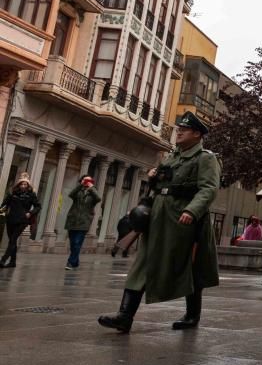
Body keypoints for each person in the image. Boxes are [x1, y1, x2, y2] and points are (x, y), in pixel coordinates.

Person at [98, 111, 221, 333]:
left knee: (189, 266)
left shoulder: (205, 158)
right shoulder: (171, 157)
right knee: (143, 262)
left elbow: (209, 189)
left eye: (184, 129)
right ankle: (124, 316)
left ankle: (193, 314)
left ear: (196, 134)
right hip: (158, 215)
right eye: (179, 129)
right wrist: (153, 178)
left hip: (183, 219)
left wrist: (192, 211)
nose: (179, 132)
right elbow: (159, 187)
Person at [0, 173, 41, 268]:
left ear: (28, 185)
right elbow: (4, 204)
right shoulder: (12, 193)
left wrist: (30, 213)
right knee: (12, 240)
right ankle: (13, 262)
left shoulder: (31, 195)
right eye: (21, 184)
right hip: (11, 219)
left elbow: (38, 206)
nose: (23, 186)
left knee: (13, 239)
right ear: (18, 185)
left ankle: (3, 259)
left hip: (23, 220)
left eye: (25, 184)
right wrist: (3, 210)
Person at [64, 176, 102, 270]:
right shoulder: (78, 191)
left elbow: (98, 199)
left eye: (89, 180)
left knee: (77, 242)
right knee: (73, 243)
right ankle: (75, 262)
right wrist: (79, 186)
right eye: (85, 180)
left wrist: (91, 188)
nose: (86, 182)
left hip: (84, 221)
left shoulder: (93, 193)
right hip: (72, 220)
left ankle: (71, 262)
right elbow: (71, 194)